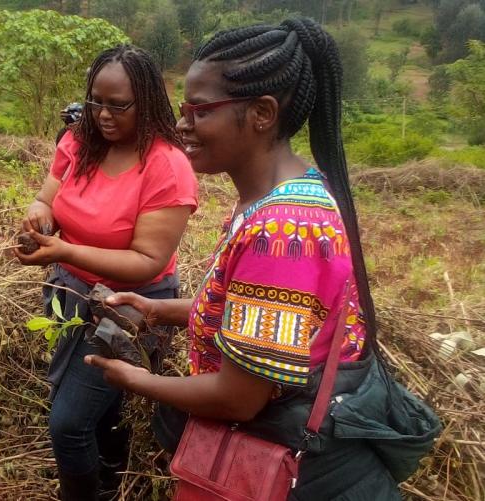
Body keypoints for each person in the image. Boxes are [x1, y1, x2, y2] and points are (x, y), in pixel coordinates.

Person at [85, 18, 439, 500]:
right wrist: (158, 309)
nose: (182, 124)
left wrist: (138, 380)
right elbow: (268, 325)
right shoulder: (273, 200)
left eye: (199, 111)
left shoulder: (282, 229)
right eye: (183, 109)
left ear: (262, 113)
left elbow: (239, 397)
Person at [15, 44, 198, 501]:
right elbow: (46, 198)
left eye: (119, 105)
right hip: (68, 289)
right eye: (96, 100)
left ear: (149, 103)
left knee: (68, 422)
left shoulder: (167, 167)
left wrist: (66, 250)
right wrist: (40, 221)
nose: (103, 114)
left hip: (130, 305)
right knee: (96, 397)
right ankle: (112, 471)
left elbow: (147, 262)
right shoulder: (80, 140)